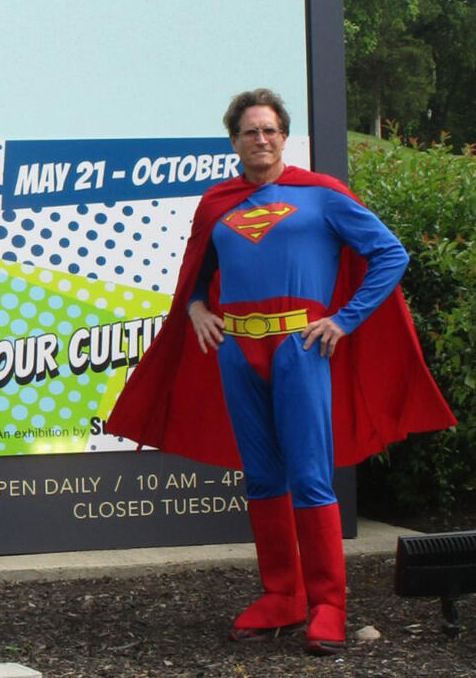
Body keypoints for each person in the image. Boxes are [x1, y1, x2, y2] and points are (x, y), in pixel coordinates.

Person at [107, 88, 455, 656]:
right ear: (234, 141)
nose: (261, 140)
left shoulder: (322, 196)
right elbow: (198, 270)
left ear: (284, 136)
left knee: (311, 477)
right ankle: (283, 596)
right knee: (263, 478)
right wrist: (196, 307)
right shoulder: (217, 203)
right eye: (250, 132)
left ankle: (329, 606)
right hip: (237, 350)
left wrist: (344, 320)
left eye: (269, 130)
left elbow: (390, 254)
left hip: (300, 348)